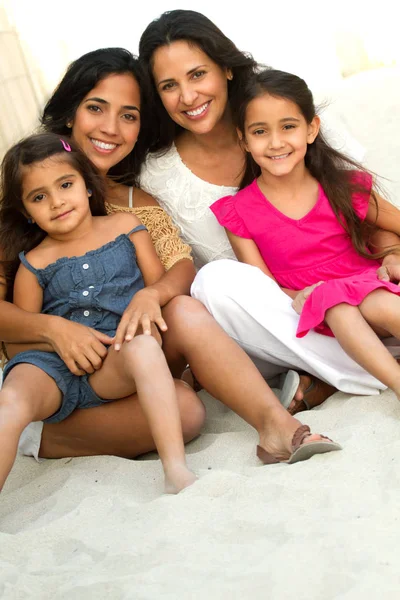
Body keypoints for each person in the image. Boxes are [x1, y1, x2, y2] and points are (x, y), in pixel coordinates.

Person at [0, 49, 339, 468]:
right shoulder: (25, 201)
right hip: (48, 377)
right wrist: (52, 329)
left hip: (128, 365)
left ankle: (275, 426)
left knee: (182, 315)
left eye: (129, 115)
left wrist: (153, 294)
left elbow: (181, 265)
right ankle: (37, 433)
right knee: (186, 411)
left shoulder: (136, 203)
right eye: (95, 108)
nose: (111, 127)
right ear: (70, 113)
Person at [138, 9, 400, 410]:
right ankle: (368, 367)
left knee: (365, 303)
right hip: (278, 317)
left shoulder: (291, 116)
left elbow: (368, 214)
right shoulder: (160, 176)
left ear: (225, 68)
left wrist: (390, 254)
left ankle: (337, 373)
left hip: (357, 285)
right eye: (169, 85)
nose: (188, 97)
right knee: (216, 281)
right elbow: (255, 288)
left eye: (196, 74)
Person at [0, 132, 197, 494]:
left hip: (114, 359)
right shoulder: (33, 264)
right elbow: (19, 343)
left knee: (143, 347)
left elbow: (158, 290)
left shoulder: (125, 227)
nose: (57, 202)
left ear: (88, 186)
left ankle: (175, 470)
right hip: (52, 367)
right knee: (10, 401)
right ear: (26, 212)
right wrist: (62, 345)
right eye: (39, 197)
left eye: (65, 184)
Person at [211, 68, 400, 396]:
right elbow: (263, 287)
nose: (276, 142)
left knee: (378, 302)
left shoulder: (344, 187)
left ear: (311, 129)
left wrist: (394, 254)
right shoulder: (239, 212)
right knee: (332, 301)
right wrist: (301, 296)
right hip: (314, 311)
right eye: (260, 131)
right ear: (242, 139)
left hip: (370, 290)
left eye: (288, 127)